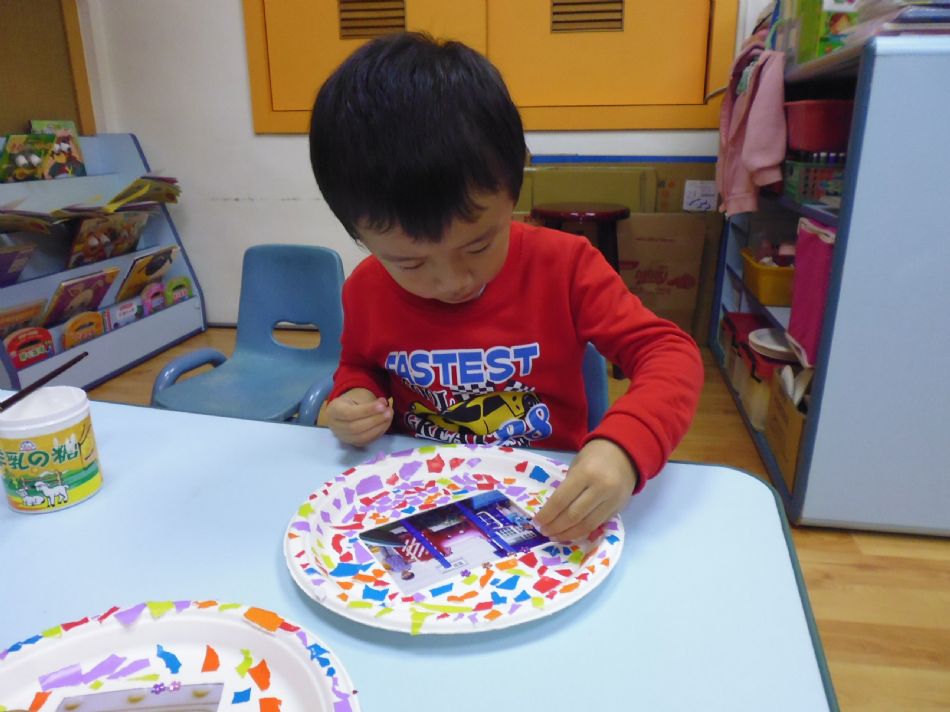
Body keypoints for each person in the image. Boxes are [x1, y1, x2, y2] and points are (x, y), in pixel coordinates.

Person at [309, 32, 703, 542]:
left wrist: (627, 447)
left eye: (478, 245)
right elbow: (361, 365)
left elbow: (668, 352)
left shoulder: (565, 266)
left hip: (547, 502)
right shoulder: (366, 288)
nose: (453, 281)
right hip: (418, 496)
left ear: (514, 186)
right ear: (359, 236)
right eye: (410, 262)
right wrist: (355, 397)